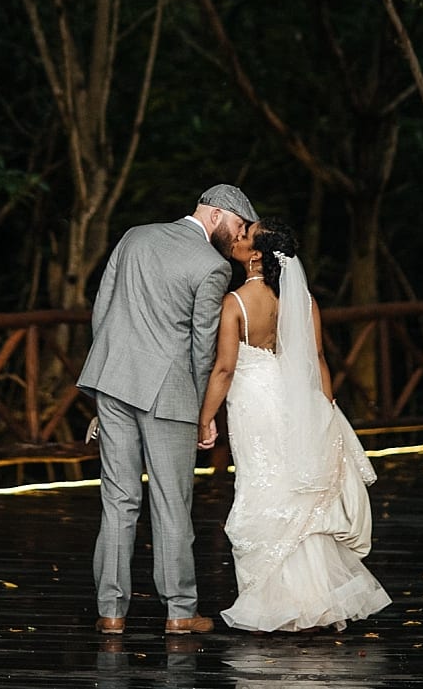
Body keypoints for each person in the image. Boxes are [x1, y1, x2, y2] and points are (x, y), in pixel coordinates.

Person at [196, 219, 390, 632]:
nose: (239, 237)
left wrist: (205, 416)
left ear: (256, 256)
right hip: (297, 401)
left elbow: (225, 368)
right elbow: (318, 358)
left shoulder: (236, 303)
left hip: (254, 405)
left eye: (245, 235)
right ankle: (313, 599)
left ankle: (273, 601)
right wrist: (325, 410)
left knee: (263, 487)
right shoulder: (303, 301)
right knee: (296, 493)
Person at [76, 184, 253, 635]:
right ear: (216, 214)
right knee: (172, 505)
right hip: (168, 393)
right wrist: (201, 413)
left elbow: (103, 310)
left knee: (117, 502)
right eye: (236, 228)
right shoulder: (212, 266)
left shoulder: (134, 236)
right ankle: (179, 612)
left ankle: (111, 612)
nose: (237, 240)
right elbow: (201, 347)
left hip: (113, 382)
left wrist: (106, 374)